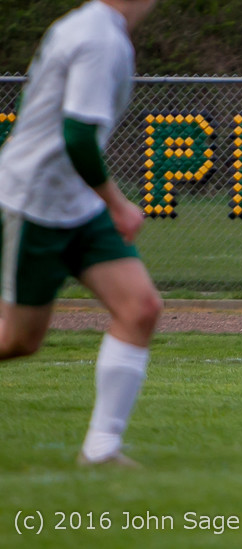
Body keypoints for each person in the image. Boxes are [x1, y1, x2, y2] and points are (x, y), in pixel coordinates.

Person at [0, 0, 162, 466]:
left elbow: (34, 105)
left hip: (77, 202)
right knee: (17, 340)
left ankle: (102, 449)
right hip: (37, 203)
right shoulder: (99, 38)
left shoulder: (91, 28)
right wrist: (119, 205)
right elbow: (76, 135)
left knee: (141, 307)